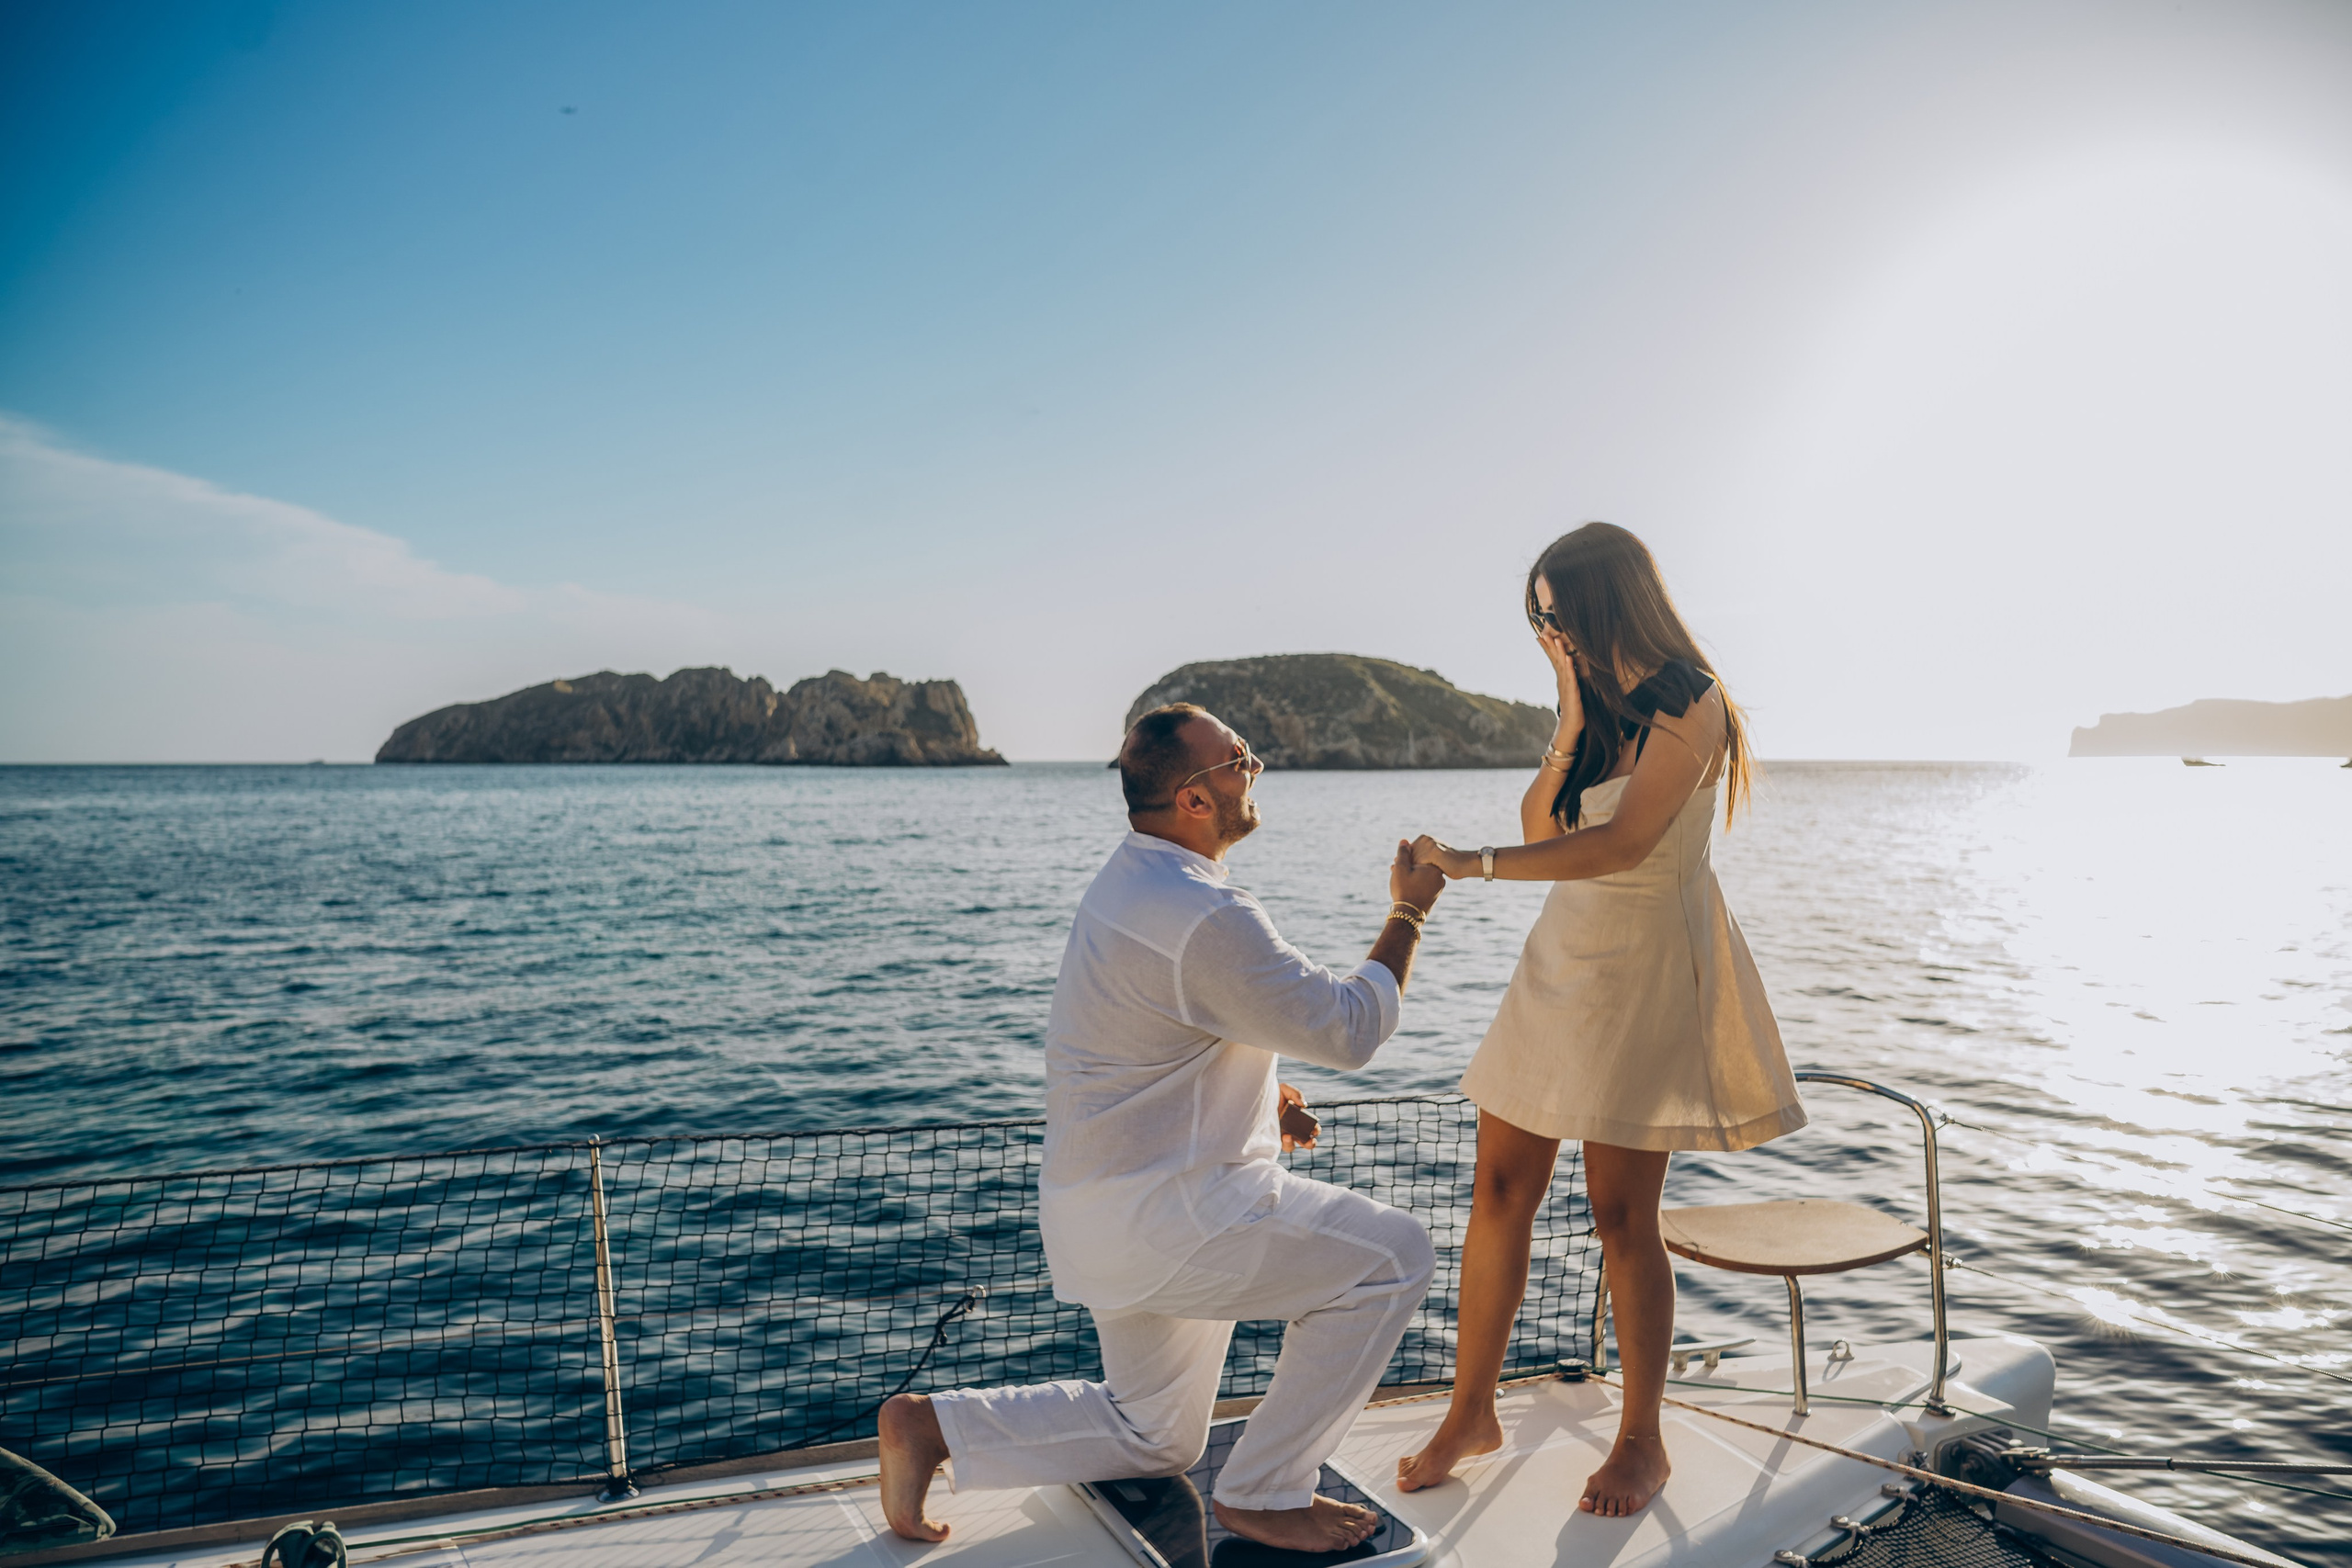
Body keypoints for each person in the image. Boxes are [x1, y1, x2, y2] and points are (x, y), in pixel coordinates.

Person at [877, 703, 1447, 1551]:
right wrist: (1409, 911)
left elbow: (1157, 1038)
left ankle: (934, 1425)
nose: (1255, 767)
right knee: (1394, 1259)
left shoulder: (1128, 882)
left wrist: (1264, 1097)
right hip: (1174, 1219)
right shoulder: (1205, 911)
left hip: (1098, 1216)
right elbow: (1349, 1028)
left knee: (1156, 1436)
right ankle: (1264, 1492)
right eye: (1239, 757)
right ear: (1194, 798)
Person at [1395, 523, 1805, 1517]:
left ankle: (1641, 1439)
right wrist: (1571, 707)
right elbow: (1547, 828)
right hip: (1562, 961)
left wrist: (1466, 866)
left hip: (1645, 968)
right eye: (1537, 615)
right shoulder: (1603, 707)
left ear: (1606, 598)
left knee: (1622, 1214)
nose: (1549, 628)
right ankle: (1471, 1411)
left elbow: (1622, 845)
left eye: (1557, 610)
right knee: (1500, 1188)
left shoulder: (1690, 699)